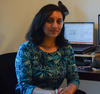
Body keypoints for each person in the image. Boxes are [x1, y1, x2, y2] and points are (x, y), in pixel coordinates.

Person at [15, 1, 80, 94]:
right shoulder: (26, 49)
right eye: (49, 21)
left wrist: (68, 91)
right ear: (40, 22)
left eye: (59, 21)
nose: (55, 26)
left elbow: (74, 78)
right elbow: (24, 86)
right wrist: (50, 93)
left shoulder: (66, 49)